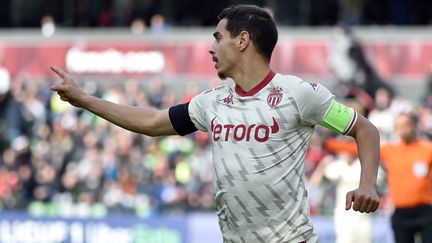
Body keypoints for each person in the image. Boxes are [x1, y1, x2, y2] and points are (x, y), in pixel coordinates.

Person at [50, 5, 380, 243]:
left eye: (218, 37)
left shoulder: (299, 94)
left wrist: (367, 184)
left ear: (243, 40)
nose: (211, 47)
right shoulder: (212, 102)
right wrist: (85, 100)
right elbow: (152, 121)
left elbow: (365, 128)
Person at [326, 112, 432, 243]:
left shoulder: (427, 149)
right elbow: (355, 148)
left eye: (405, 125)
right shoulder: (390, 150)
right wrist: (327, 143)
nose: (402, 130)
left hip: (426, 212)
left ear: (414, 126)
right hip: (401, 213)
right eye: (398, 126)